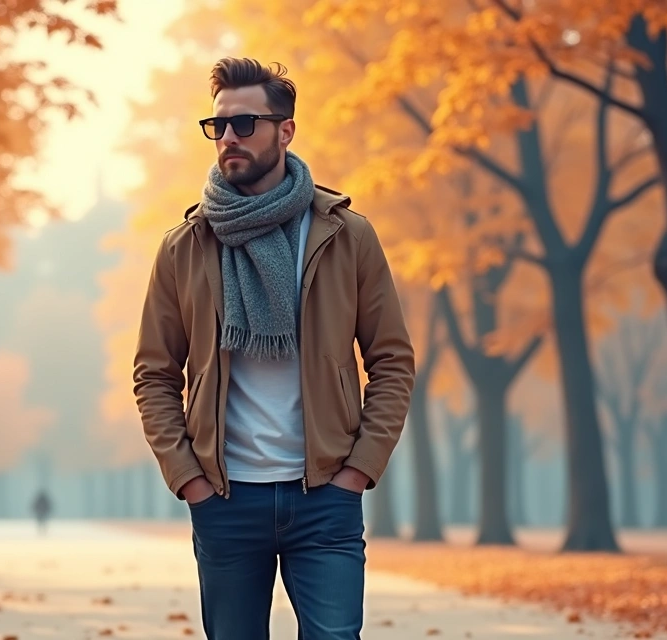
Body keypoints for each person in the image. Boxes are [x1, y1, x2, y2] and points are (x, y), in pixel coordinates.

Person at [132, 57, 415, 639]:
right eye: (218, 127)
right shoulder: (185, 247)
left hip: (326, 497)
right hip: (226, 500)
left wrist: (358, 470)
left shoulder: (346, 236)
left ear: (285, 130)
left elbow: (391, 360)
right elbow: (155, 374)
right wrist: (190, 479)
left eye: (244, 124)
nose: (228, 138)